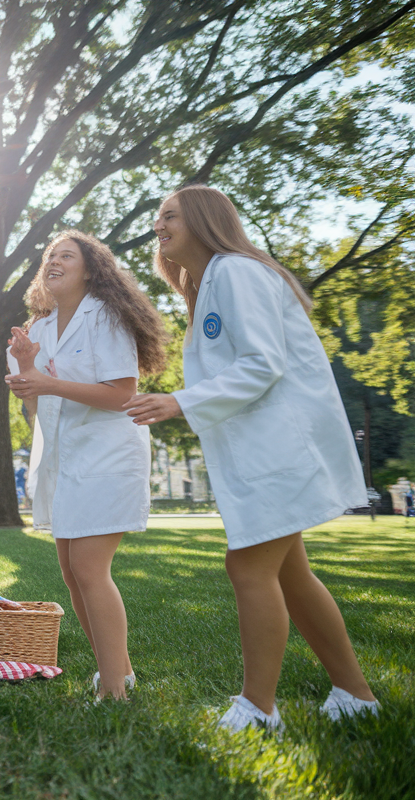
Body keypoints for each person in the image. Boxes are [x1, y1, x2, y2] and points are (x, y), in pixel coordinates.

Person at [124, 185, 379, 730]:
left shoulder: (236, 272)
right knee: (292, 574)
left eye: (168, 215)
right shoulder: (212, 284)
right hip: (264, 452)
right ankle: (355, 694)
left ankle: (258, 708)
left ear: (202, 219)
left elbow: (264, 364)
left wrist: (178, 401)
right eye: (157, 217)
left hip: (283, 447)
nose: (157, 225)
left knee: (247, 567)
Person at [5, 231, 168, 700]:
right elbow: (33, 402)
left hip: (109, 451)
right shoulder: (37, 329)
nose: (53, 260)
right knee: (71, 571)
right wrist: (24, 370)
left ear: (91, 269)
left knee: (90, 568)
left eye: (66, 255)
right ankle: (120, 671)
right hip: (64, 455)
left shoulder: (107, 316)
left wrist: (43, 383)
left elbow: (120, 394)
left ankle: (112, 691)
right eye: (49, 255)